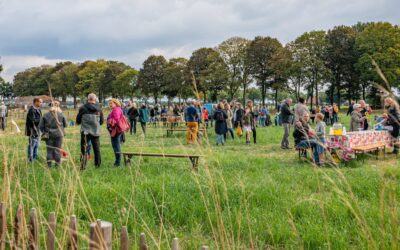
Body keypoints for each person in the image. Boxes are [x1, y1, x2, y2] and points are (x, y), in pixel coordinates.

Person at [76, 93, 104, 169]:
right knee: (97, 149)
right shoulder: (99, 109)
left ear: (87, 99)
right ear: (95, 99)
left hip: (85, 132)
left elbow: (78, 120)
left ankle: (82, 166)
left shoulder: (82, 108)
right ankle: (97, 165)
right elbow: (101, 122)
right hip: (95, 132)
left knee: (83, 149)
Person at [39, 101, 67, 167]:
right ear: (58, 106)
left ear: (50, 106)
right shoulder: (61, 114)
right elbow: (65, 125)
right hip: (59, 135)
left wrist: (44, 131)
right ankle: (58, 166)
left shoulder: (45, 115)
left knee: (49, 151)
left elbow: (41, 126)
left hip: (48, 135)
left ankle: (49, 166)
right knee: (58, 150)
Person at [107, 99, 124, 167]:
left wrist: (110, 123)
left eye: (111, 103)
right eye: (109, 103)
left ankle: (117, 162)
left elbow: (116, 120)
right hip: (116, 130)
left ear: (116, 103)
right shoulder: (118, 109)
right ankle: (117, 161)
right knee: (116, 145)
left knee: (116, 146)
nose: (110, 105)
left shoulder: (116, 110)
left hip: (116, 130)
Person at [26, 97, 43, 162]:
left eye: (41, 102)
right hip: (33, 130)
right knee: (32, 145)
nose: (41, 103)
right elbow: (32, 121)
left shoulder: (38, 109)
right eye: (40, 102)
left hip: (38, 130)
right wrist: (41, 120)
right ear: (36, 102)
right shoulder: (32, 110)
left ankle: (35, 157)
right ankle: (30, 159)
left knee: (37, 145)